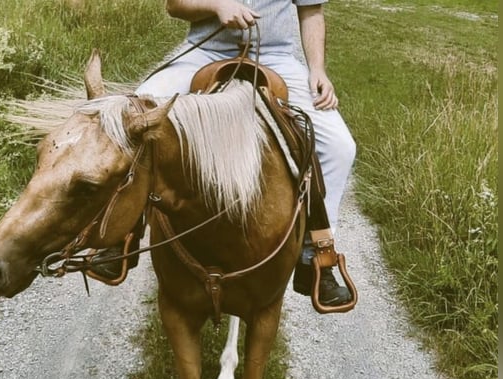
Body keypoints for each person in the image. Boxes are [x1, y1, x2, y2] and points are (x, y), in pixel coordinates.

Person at [92, 0, 356, 305]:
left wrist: (318, 70)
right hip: (206, 51)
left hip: (276, 57)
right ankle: (124, 234)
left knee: (339, 146)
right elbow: (174, 5)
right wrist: (216, 6)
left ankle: (316, 256)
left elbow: (311, 12)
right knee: (134, 114)